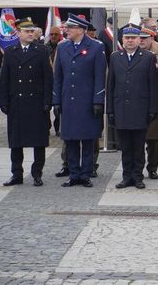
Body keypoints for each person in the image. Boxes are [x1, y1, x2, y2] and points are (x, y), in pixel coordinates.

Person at [53, 14, 106, 188]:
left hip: (87, 101)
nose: (66, 30)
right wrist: (57, 101)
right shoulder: (62, 48)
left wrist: (98, 100)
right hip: (69, 100)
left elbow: (100, 76)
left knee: (88, 139)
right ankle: (74, 173)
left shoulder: (96, 47)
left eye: (71, 27)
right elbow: (58, 77)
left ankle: (85, 174)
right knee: (70, 139)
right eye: (67, 27)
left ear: (82, 30)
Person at [0, 18, 53, 187]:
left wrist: (47, 102)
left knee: (39, 141)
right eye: (26, 31)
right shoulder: (10, 51)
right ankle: (17, 174)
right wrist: (3, 102)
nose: (30, 34)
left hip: (36, 103)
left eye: (32, 31)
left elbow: (48, 79)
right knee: (16, 142)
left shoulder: (42, 51)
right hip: (17, 103)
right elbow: (4, 79)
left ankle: (37, 173)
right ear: (18, 33)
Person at [106, 24, 158, 189]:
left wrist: (152, 110)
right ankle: (126, 176)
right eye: (127, 38)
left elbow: (153, 86)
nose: (130, 41)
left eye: (133, 38)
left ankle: (137, 176)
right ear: (122, 39)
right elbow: (111, 85)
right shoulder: (115, 57)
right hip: (121, 108)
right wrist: (110, 110)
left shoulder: (148, 57)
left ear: (139, 40)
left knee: (138, 146)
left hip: (140, 108)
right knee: (125, 147)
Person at [139, 27, 158, 179]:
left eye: (145, 38)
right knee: (137, 138)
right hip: (137, 103)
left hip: (154, 102)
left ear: (152, 38)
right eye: (140, 38)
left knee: (152, 139)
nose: (142, 40)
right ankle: (137, 167)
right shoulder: (133, 53)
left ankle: (152, 167)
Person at [46, 25, 63, 136]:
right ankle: (46, 127)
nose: (53, 36)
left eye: (56, 34)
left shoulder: (63, 46)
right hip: (47, 81)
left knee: (58, 108)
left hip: (58, 81)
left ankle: (58, 128)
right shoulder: (44, 47)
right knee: (46, 107)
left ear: (59, 35)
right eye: (51, 34)